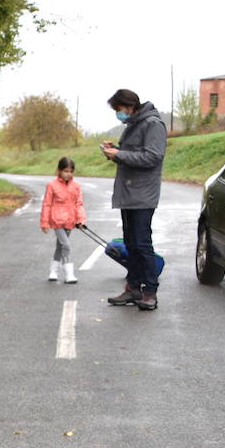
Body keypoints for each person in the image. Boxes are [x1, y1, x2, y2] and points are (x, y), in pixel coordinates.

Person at [100, 88, 167, 310]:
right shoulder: (133, 125)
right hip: (128, 193)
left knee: (142, 243)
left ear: (130, 106)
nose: (118, 114)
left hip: (143, 195)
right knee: (130, 243)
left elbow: (152, 157)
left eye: (119, 109)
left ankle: (150, 292)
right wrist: (115, 152)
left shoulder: (153, 124)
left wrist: (120, 154)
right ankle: (133, 287)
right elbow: (131, 156)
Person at [40, 157, 87, 283]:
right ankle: (69, 274)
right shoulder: (52, 185)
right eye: (66, 171)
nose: (68, 174)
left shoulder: (76, 186)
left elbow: (79, 203)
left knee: (60, 247)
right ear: (59, 171)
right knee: (66, 245)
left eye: (71, 171)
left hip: (70, 221)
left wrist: (81, 219)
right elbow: (46, 204)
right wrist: (44, 222)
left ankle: (53, 271)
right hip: (57, 221)